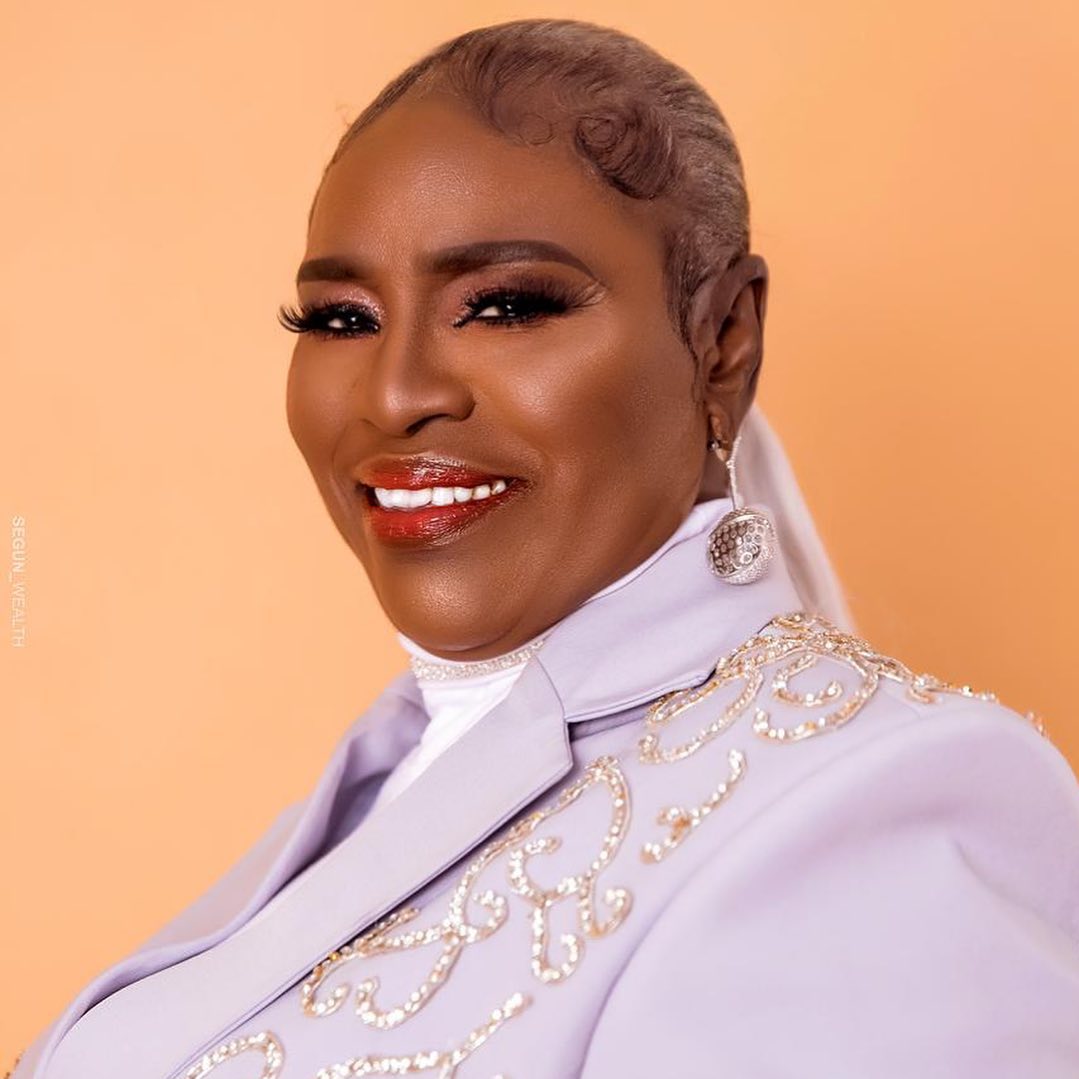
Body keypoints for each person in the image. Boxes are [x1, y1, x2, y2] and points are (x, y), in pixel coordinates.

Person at [12, 17, 1079, 1079]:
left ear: (722, 342)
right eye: (339, 319)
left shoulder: (882, 808)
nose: (396, 393)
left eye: (504, 306)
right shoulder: (395, 769)